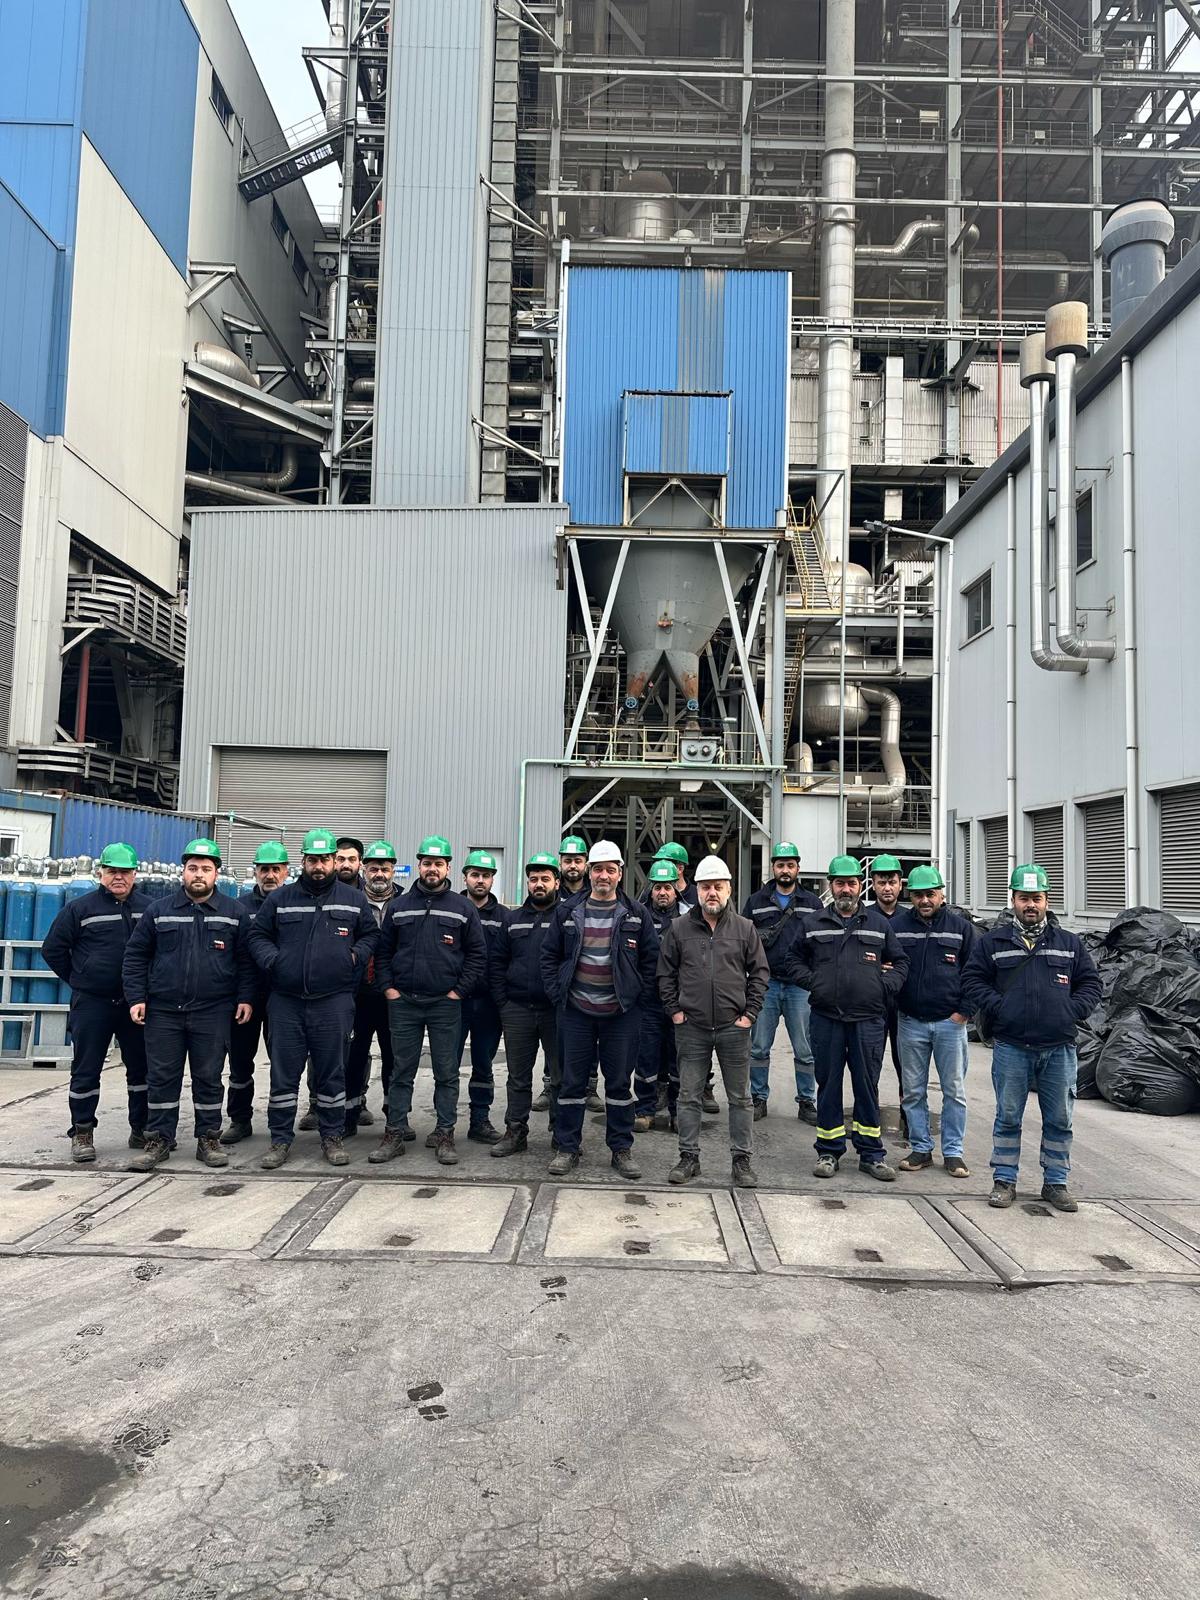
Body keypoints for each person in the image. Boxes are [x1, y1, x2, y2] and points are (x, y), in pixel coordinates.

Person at [963, 863, 1101, 1212]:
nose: (1030, 905)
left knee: (1059, 1120)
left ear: (1047, 900)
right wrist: (1000, 1007)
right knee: (1008, 1116)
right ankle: (1004, 1181)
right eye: (1024, 898)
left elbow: (1091, 983)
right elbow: (973, 980)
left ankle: (1056, 1182)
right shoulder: (993, 943)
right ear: (1013, 900)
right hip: (1012, 1046)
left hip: (1059, 1048)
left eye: (1036, 898)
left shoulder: (1069, 944)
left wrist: (1071, 1010)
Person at [247, 827, 379, 1170]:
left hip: (333, 1001)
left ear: (334, 860)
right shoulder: (281, 899)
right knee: (284, 1075)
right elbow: (258, 935)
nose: (318, 866)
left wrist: (353, 957)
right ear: (302, 861)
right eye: (312, 860)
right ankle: (280, 1139)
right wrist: (274, 961)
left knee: (332, 1072)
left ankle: (332, 1136)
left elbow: (370, 935)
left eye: (324, 860)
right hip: (286, 1001)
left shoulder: (353, 900)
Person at [122, 839, 256, 1172]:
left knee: (208, 1077)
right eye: (193, 868)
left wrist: (245, 997)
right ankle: (159, 1139)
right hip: (164, 1011)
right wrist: (137, 998)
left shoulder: (234, 913)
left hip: (213, 1010)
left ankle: (208, 1138)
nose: (199, 874)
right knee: (161, 1077)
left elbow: (246, 961)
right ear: (183, 871)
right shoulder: (159, 911)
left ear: (216, 874)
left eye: (206, 869)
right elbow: (136, 956)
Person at [540, 840, 659, 1179]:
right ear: (589, 872)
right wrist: (558, 994)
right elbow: (549, 955)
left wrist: (636, 998)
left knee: (619, 1084)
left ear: (620, 873)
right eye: (597, 869)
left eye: (610, 869)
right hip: (575, 1012)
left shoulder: (636, 914)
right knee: (571, 1083)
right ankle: (567, 1148)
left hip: (620, 1014)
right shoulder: (567, 911)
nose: (603, 875)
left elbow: (651, 961)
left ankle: (621, 1149)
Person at [790, 855, 909, 1183]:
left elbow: (901, 962)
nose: (846, 889)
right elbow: (792, 960)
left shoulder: (878, 924)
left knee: (867, 1085)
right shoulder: (812, 923)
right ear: (831, 885)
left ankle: (871, 1154)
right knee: (828, 1085)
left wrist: (883, 986)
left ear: (860, 886)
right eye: (840, 883)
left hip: (868, 1020)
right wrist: (815, 982)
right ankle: (828, 1151)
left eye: (852, 883)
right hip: (826, 1018)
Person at [369, 835, 486, 1167]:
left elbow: (477, 955)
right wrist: (388, 989)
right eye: (426, 863)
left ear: (448, 867)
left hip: (444, 1004)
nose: (432, 869)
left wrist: (458, 992)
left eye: (438, 863)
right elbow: (383, 952)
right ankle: (395, 1133)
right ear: (419, 865)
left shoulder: (462, 907)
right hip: (404, 1002)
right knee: (401, 1071)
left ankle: (445, 1134)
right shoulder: (400, 906)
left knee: (446, 1072)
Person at [658, 856, 768, 1189]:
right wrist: (675, 1011)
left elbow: (760, 973)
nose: (712, 893)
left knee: (740, 1098)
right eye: (706, 887)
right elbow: (665, 973)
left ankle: (741, 1160)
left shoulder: (744, 929)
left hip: (734, 1028)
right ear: (697, 890)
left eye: (718, 887)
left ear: (728, 889)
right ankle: (688, 1157)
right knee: (688, 1095)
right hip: (692, 1027)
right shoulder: (679, 928)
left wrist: (750, 1014)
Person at [41, 842, 155, 1163]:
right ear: (100, 873)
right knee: (86, 1069)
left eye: (125, 872)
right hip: (93, 1003)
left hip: (136, 1003)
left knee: (142, 1069)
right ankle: (82, 1131)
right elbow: (52, 949)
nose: (119, 877)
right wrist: (79, 978)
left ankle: (141, 1129)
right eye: (112, 871)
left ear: (135, 874)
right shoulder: (80, 909)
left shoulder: (150, 908)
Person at [892, 866, 975, 1178]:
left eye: (930, 894)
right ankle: (921, 1148)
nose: (924, 900)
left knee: (954, 1091)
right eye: (918, 895)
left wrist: (963, 1013)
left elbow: (976, 973)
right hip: (910, 1022)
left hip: (950, 1024)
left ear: (942, 894)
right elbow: (889, 966)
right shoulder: (897, 927)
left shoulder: (961, 929)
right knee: (913, 1091)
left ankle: (953, 1152)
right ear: (910, 896)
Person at [741, 841, 822, 1125]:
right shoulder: (756, 902)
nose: (785, 870)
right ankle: (758, 1098)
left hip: (800, 987)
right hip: (766, 984)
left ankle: (807, 1101)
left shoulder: (812, 903)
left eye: (790, 865)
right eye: (780, 865)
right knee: (759, 1046)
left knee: (805, 1048)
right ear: (773, 868)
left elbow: (820, 944)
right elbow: (744, 942)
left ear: (798, 868)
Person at [490, 852, 563, 1157]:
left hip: (556, 1012)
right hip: (517, 1009)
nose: (539, 884)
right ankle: (515, 1131)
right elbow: (497, 962)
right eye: (534, 879)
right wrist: (503, 1002)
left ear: (556, 882)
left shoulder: (567, 918)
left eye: (545, 879)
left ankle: (562, 1134)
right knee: (518, 1077)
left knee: (561, 1077)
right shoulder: (512, 919)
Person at [220, 840, 289, 1144]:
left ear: (286, 871)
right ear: (256, 872)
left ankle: (280, 1122)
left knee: (282, 1063)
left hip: (283, 997)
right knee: (239, 1062)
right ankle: (240, 1119)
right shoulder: (240, 908)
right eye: (264, 869)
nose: (270, 875)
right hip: (244, 998)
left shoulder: (293, 904)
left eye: (275, 869)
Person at [344, 840, 403, 1137]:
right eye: (374, 868)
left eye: (385, 868)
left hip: (393, 994)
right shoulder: (349, 901)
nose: (379, 874)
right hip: (358, 994)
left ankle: (395, 1116)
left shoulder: (406, 903)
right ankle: (349, 1114)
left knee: (394, 1056)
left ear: (393, 871)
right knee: (354, 1056)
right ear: (364, 870)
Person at [455, 849, 506, 1144]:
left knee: (483, 1064)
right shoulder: (453, 909)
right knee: (448, 1065)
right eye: (475, 875)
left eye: (486, 875)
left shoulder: (504, 917)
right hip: (455, 1002)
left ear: (492, 880)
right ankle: (444, 1125)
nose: (480, 880)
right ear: (465, 877)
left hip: (488, 1004)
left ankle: (480, 1121)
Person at [633, 860, 683, 1132]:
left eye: (667, 887)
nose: (662, 892)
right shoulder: (638, 917)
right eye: (657, 888)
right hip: (648, 1000)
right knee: (646, 1057)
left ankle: (678, 1111)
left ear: (676, 890)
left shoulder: (689, 918)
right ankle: (644, 1110)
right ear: (650, 890)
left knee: (678, 1059)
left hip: (679, 1000)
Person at [869, 852, 907, 1136]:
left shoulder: (911, 918)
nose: (887, 888)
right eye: (881, 882)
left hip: (904, 1003)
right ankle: (869, 1115)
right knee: (870, 1062)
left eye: (892, 882)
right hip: (873, 1003)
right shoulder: (864, 917)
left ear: (900, 884)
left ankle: (909, 1116)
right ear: (873, 884)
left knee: (906, 1064)